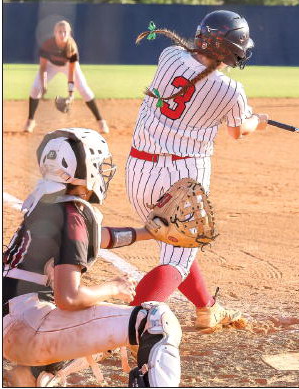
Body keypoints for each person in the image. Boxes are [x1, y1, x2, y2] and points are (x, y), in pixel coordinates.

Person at [2, 128, 181, 387]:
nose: (101, 170)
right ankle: (37, 368)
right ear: (81, 170)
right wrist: (113, 287)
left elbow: (93, 238)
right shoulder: (72, 215)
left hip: (15, 322)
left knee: (96, 320)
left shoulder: (47, 205)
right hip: (27, 328)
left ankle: (35, 375)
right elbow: (69, 298)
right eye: (97, 164)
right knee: (155, 320)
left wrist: (148, 233)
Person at [125, 10, 268, 330]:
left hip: (137, 173)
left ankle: (207, 308)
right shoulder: (231, 91)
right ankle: (122, 327)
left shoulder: (170, 55)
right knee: (176, 261)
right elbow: (238, 131)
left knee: (179, 248)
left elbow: (191, 75)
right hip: (181, 182)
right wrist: (258, 121)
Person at [24, 20, 109, 134]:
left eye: (65, 32)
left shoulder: (72, 47)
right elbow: (43, 68)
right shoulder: (47, 45)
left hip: (67, 66)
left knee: (85, 90)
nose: (62, 34)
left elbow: (71, 72)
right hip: (50, 66)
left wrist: (71, 94)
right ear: (55, 32)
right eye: (60, 32)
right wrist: (44, 85)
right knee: (35, 88)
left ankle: (101, 121)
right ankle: (30, 120)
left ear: (69, 33)